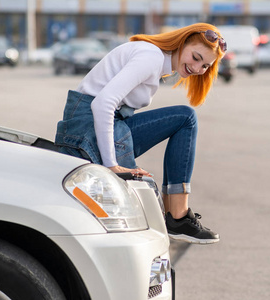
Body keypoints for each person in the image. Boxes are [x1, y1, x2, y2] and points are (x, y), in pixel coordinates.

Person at [55, 23, 227, 244]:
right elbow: (102, 104)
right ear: (183, 43)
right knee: (186, 118)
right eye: (195, 57)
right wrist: (112, 166)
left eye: (205, 66)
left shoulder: (157, 61)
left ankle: (177, 217)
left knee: (185, 118)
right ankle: (177, 217)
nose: (197, 68)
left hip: (102, 127)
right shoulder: (151, 57)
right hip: (86, 130)